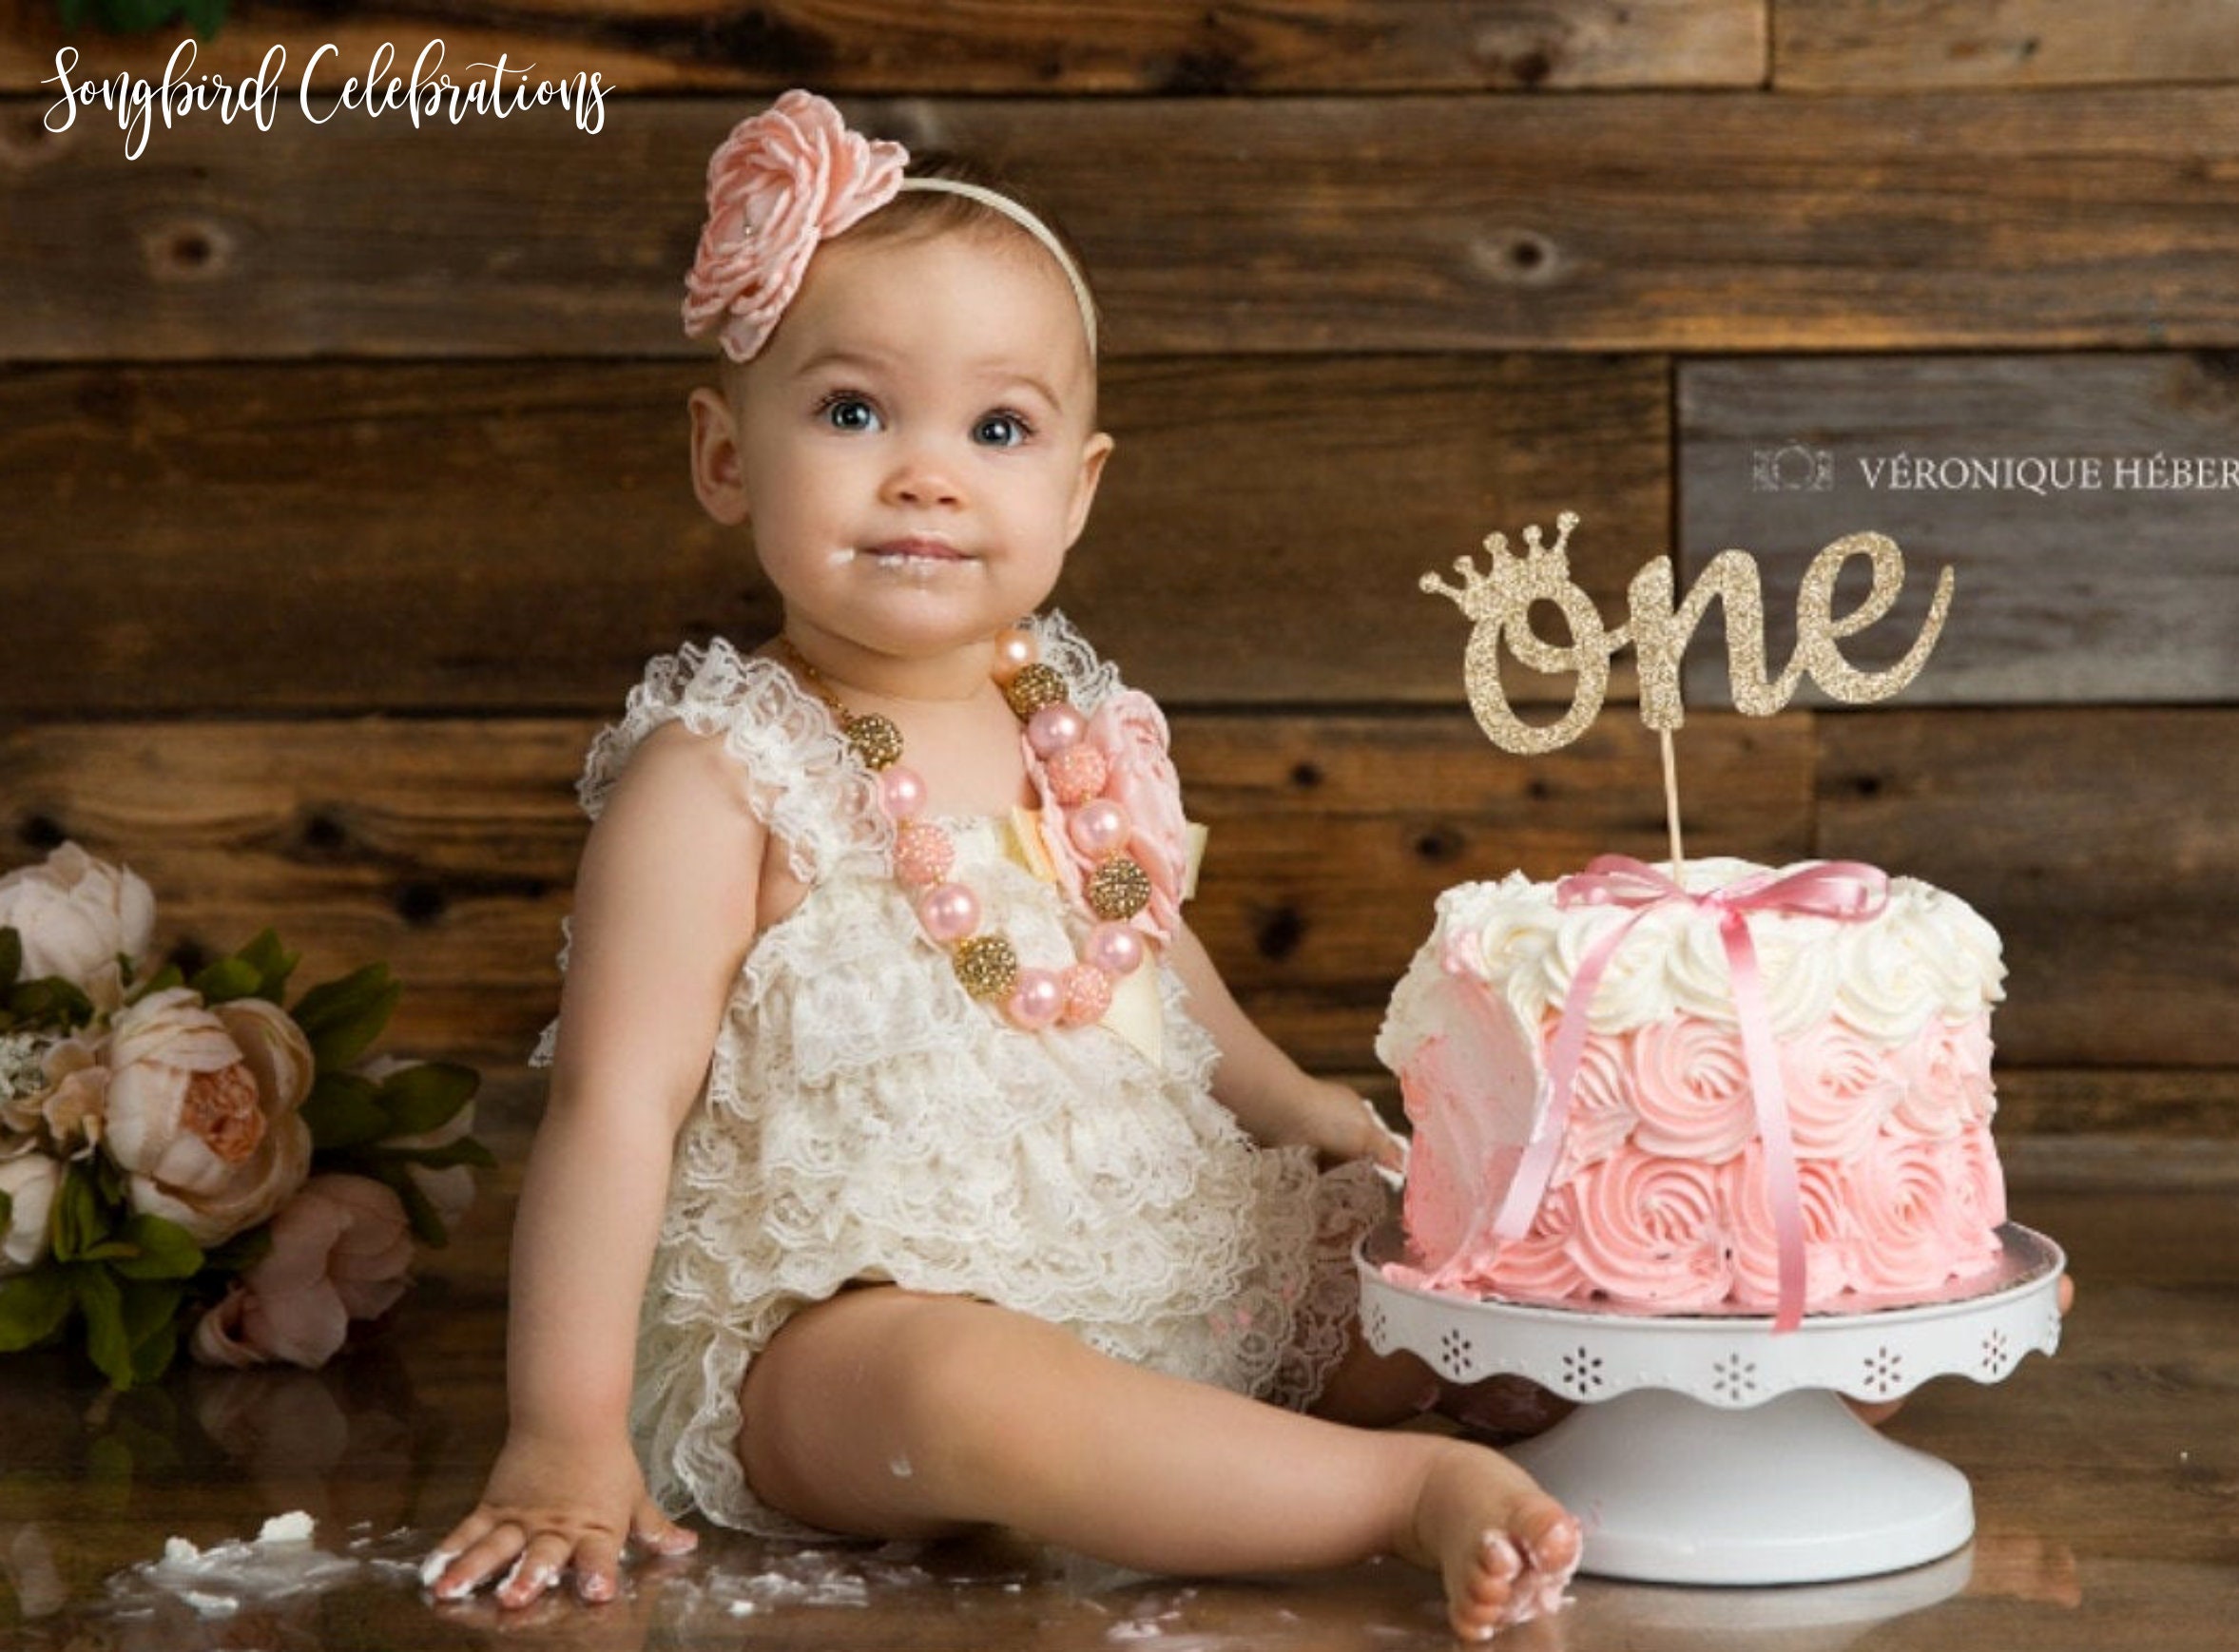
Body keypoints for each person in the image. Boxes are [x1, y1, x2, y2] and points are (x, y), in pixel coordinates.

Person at [426, 89, 1580, 1643]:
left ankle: (1718, 1365)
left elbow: (1159, 972)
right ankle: (1395, 1496)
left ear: (1078, 488)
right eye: (852, 412)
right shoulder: (721, 775)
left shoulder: (1079, 737)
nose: (927, 474)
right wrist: (564, 1429)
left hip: (1148, 1247)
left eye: (998, 428)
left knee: (1438, 1264)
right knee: (958, 1388)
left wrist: (1317, 1120)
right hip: (829, 1332)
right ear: (723, 453)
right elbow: (610, 1108)